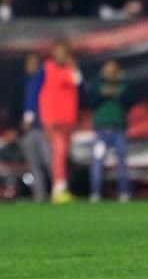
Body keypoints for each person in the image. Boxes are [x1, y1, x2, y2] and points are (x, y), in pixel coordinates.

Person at [25, 40, 82, 204]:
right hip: (52, 118)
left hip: (68, 118)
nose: (61, 55)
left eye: (64, 52)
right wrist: (29, 114)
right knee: (59, 152)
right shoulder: (46, 68)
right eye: (58, 52)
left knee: (62, 154)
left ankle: (60, 188)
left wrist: (74, 68)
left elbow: (78, 85)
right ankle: (58, 189)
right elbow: (34, 88)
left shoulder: (69, 70)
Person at [89, 60, 132, 202]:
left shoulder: (123, 85)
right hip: (101, 130)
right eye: (108, 70)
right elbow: (90, 101)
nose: (111, 72)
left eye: (113, 70)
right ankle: (95, 192)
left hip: (118, 129)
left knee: (122, 163)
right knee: (97, 162)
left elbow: (130, 101)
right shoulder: (97, 85)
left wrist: (116, 93)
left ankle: (124, 192)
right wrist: (103, 94)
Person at [19, 53, 52, 202]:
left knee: (49, 162)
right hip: (30, 130)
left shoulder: (43, 79)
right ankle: (39, 196)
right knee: (34, 165)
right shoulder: (27, 82)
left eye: (34, 63)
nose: (31, 66)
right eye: (28, 63)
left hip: (43, 127)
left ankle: (59, 192)